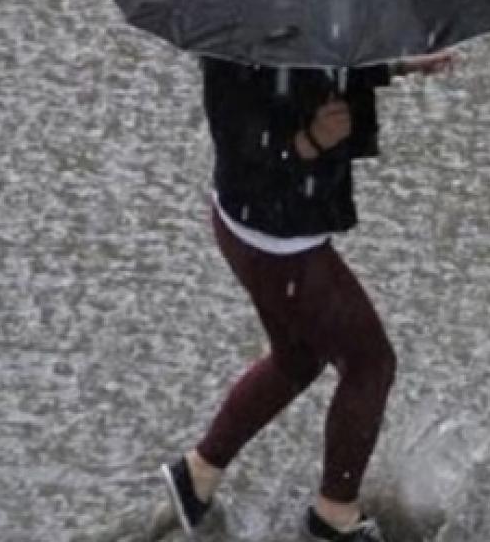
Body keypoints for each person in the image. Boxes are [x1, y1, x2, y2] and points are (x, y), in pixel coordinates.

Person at [159, 49, 458, 542]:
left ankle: (197, 474)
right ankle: (334, 515)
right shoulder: (240, 49)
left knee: (297, 359)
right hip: (278, 242)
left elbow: (321, 59)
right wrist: (309, 142)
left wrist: (398, 64)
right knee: (370, 364)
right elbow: (244, 145)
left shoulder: (286, 26)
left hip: (251, 227)